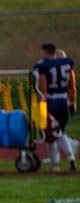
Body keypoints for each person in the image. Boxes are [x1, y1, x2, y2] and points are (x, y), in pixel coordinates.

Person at [36, 43, 77, 172]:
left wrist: (42, 105)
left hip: (51, 101)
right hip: (63, 100)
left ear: (46, 53)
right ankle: (71, 157)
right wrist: (73, 102)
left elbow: (43, 90)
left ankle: (54, 165)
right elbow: (72, 87)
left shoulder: (44, 66)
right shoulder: (66, 64)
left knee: (50, 134)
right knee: (60, 132)